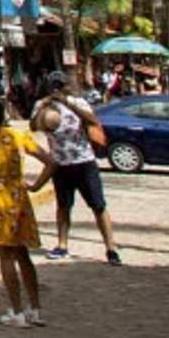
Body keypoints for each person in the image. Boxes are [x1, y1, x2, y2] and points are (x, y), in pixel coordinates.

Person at [0, 96, 54, 328]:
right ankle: (35, 308)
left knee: (5, 256)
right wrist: (35, 186)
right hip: (17, 198)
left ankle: (17, 310)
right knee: (22, 254)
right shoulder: (17, 136)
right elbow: (51, 161)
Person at [33, 73, 120, 265]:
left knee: (98, 206)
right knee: (63, 207)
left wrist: (68, 104)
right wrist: (45, 106)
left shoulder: (78, 102)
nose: (57, 89)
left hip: (84, 161)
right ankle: (62, 245)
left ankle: (110, 248)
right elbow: (33, 126)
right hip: (60, 164)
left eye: (59, 86)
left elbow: (93, 120)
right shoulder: (42, 105)